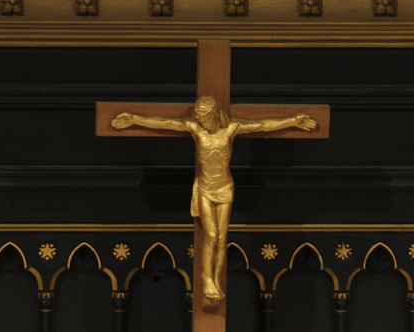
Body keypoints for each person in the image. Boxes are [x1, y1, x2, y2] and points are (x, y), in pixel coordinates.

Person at [111, 98, 317, 302]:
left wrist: (293, 121)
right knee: (210, 234)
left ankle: (216, 279)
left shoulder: (231, 129)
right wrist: (134, 119)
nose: (202, 123)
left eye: (205, 119)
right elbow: (165, 123)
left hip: (225, 187)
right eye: (199, 119)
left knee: (221, 237)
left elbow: (263, 125)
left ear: (215, 114)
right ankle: (206, 277)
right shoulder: (196, 129)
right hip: (205, 189)